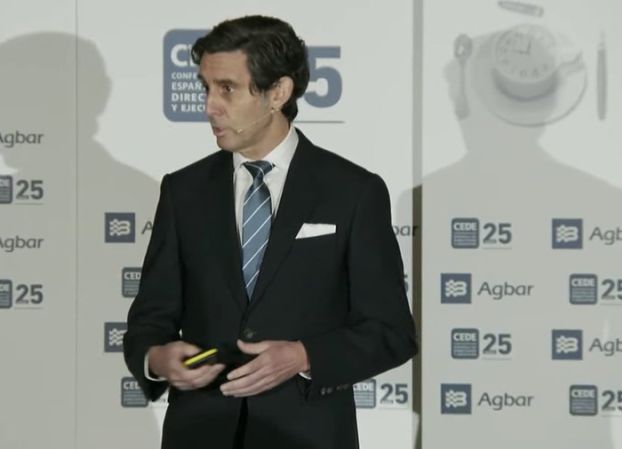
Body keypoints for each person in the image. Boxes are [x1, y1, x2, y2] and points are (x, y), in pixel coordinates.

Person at [124, 15, 417, 449]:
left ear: (278, 92)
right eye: (207, 88)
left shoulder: (353, 192)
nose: (210, 106)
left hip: (308, 436)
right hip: (200, 433)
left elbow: (391, 333)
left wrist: (302, 356)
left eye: (227, 88)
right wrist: (157, 358)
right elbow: (149, 320)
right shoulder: (183, 191)